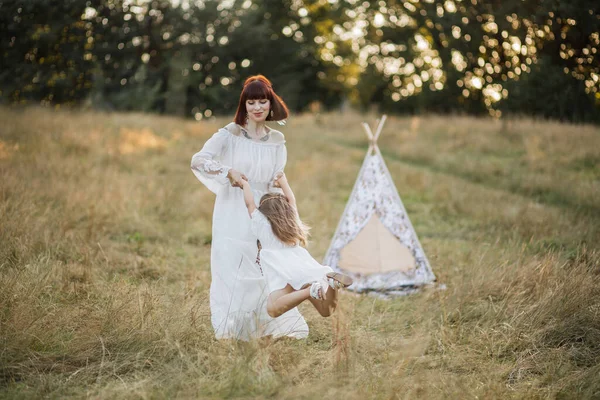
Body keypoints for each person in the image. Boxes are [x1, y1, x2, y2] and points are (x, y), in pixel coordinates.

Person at [191, 75, 308, 340]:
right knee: (233, 265)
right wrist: (227, 171)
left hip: (265, 210)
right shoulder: (229, 134)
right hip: (233, 208)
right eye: (251, 102)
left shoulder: (277, 140)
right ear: (244, 105)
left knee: (264, 266)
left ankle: (263, 328)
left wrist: (285, 216)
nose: (257, 107)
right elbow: (198, 160)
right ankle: (234, 330)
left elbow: (277, 180)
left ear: (270, 104)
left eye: (262, 102)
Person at [241, 172, 353, 320]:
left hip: (283, 272)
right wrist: (283, 182)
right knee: (326, 311)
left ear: (263, 211)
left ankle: (309, 292)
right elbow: (291, 199)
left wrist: (244, 184)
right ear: (286, 209)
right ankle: (332, 285)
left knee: (273, 309)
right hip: (304, 267)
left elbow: (249, 203)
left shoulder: (261, 223)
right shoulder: (292, 220)